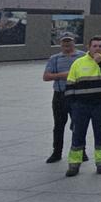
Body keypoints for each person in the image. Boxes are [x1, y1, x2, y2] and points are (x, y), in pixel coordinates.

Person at [64, 35, 101, 177]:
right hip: (81, 106)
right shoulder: (78, 63)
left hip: (100, 105)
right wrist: (73, 105)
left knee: (100, 134)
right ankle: (74, 164)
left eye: (100, 46)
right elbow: (70, 84)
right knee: (78, 134)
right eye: (94, 46)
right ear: (88, 47)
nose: (97, 48)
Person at [43, 33, 85, 163]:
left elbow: (85, 73)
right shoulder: (54, 58)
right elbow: (46, 76)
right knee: (58, 125)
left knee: (78, 125)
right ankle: (57, 152)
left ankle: (81, 151)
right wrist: (66, 75)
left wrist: (60, 75)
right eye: (64, 42)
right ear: (60, 44)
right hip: (60, 95)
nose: (67, 44)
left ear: (74, 42)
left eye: (69, 42)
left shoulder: (82, 56)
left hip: (77, 94)